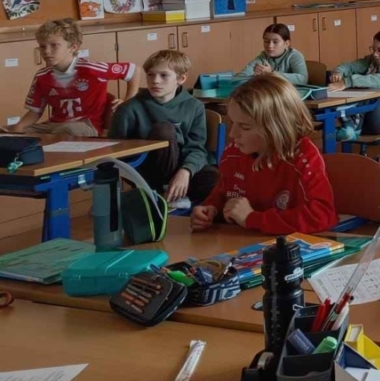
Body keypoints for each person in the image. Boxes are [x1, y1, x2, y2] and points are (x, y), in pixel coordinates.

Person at [191, 75, 336, 234]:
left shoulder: (303, 158)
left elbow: (321, 216)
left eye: (245, 127)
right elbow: (223, 192)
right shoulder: (234, 153)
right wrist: (209, 209)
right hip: (243, 241)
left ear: (276, 128)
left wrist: (252, 218)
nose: (232, 134)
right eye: (232, 122)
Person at [109, 49, 215, 204]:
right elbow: (116, 150)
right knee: (164, 130)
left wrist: (185, 171)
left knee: (216, 179)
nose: (155, 81)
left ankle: (170, 199)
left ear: (181, 78)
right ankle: (161, 197)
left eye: (164, 75)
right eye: (150, 75)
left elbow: (196, 148)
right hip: (145, 171)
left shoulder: (194, 106)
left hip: (180, 167)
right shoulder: (129, 108)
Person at [10, 19, 134, 136]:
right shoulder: (42, 76)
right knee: (10, 132)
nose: (46, 51)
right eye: (42, 46)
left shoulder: (92, 69)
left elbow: (133, 70)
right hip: (54, 125)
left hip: (86, 126)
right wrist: (18, 127)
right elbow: (35, 111)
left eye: (54, 45)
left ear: (73, 47)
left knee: (68, 130)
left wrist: (128, 102)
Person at [330, 28, 380, 135]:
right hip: (367, 118)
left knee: (372, 92)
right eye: (373, 49)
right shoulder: (372, 60)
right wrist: (338, 73)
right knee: (339, 91)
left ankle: (353, 127)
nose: (375, 54)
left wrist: (349, 81)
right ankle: (350, 127)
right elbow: (351, 66)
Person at [240, 23, 309, 84]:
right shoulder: (263, 57)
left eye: (275, 42)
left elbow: (302, 79)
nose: (270, 46)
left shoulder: (294, 56)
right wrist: (254, 77)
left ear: (286, 44)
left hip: (292, 93)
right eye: (266, 41)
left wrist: (272, 74)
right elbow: (240, 77)